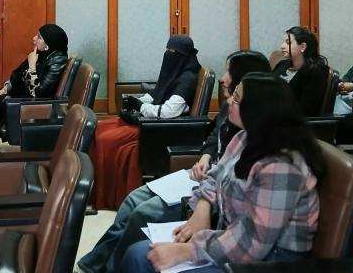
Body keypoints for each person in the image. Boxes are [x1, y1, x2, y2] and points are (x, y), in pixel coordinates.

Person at [76, 50, 271, 273]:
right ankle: (94, 265)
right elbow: (214, 139)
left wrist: (203, 207)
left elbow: (254, 235)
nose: (224, 78)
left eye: (229, 72)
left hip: (214, 201)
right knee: (132, 200)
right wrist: (206, 157)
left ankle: (109, 268)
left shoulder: (266, 149)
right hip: (203, 180)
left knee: (142, 214)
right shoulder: (234, 116)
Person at [121, 73, 325, 272]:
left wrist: (187, 251)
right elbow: (214, 176)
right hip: (230, 235)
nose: (228, 101)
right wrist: (202, 208)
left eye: (235, 98)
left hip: (268, 261)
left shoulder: (282, 168)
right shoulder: (244, 138)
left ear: (257, 110)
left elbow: (253, 243)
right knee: (138, 252)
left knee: (141, 258)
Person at [92, 35, 200, 211]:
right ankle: (92, 190)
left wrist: (141, 107)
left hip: (158, 129)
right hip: (149, 122)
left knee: (105, 139)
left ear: (184, 55)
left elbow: (168, 112)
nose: (168, 54)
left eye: (173, 52)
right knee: (99, 128)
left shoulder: (187, 78)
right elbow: (158, 93)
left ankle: (104, 197)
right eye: (167, 50)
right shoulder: (175, 71)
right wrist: (138, 101)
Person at [0, 23, 68, 144]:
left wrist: (32, 66)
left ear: (48, 45)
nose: (34, 38)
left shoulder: (58, 61)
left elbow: (39, 93)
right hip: (16, 94)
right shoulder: (40, 54)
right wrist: (7, 86)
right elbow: (18, 73)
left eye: (39, 37)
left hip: (26, 103)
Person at [273, 26, 330, 116]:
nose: (282, 46)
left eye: (288, 43)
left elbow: (306, 110)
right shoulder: (282, 65)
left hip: (291, 121)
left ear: (303, 47)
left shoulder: (315, 72)